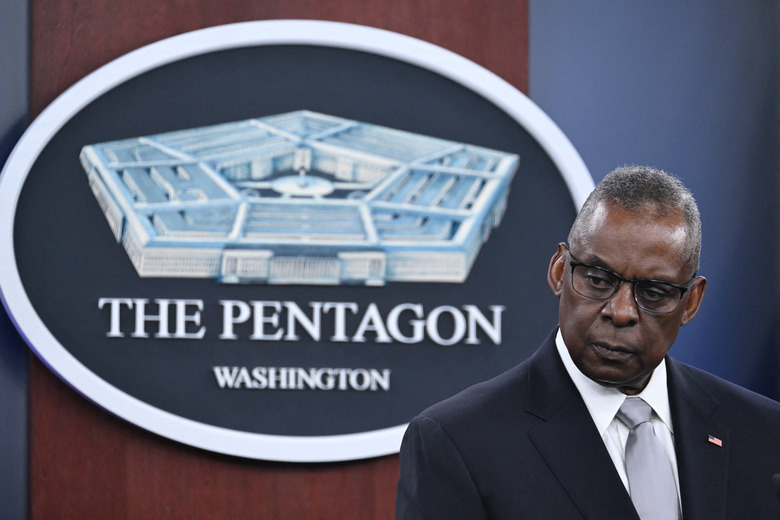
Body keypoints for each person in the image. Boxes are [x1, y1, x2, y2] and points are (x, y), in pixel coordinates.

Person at [395, 166, 780, 519]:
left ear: (691, 302)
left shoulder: (765, 434)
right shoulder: (458, 442)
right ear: (559, 271)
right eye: (598, 280)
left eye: (653, 292)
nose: (621, 312)